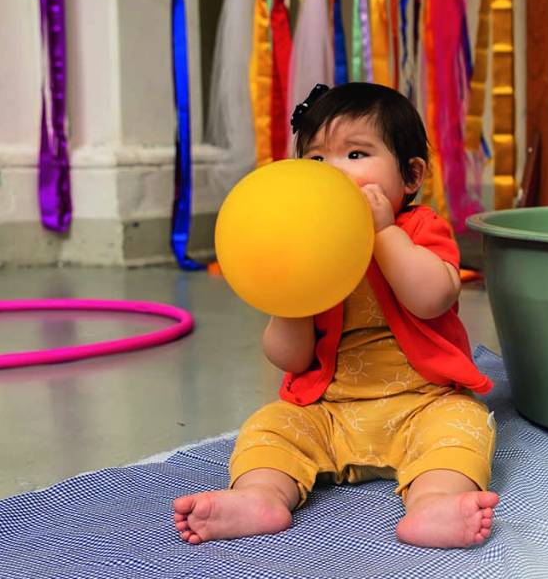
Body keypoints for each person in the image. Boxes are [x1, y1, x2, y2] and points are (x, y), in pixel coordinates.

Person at [173, 83, 498, 549]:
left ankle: (435, 503)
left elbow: (432, 299)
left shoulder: (419, 228)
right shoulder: (308, 246)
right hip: (329, 411)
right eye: (317, 159)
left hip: (423, 403)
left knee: (465, 425)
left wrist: (384, 233)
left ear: (410, 176)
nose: (334, 172)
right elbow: (290, 358)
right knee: (271, 426)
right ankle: (260, 496)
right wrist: (289, 301)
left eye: (356, 154)